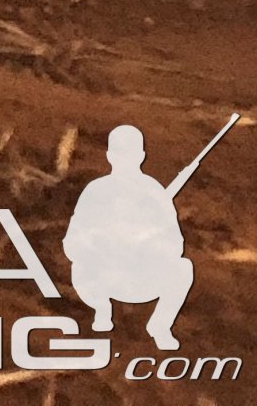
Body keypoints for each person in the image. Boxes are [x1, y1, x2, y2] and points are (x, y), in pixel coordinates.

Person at [64, 124, 197, 351]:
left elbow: (176, 244)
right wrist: (103, 243)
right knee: (81, 267)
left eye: (131, 153)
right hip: (104, 278)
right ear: (110, 156)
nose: (125, 159)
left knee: (184, 268)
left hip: (142, 276)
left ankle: (160, 326)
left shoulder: (154, 193)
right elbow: (72, 242)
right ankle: (102, 309)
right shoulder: (96, 191)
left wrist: (146, 241)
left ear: (141, 156)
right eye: (120, 153)